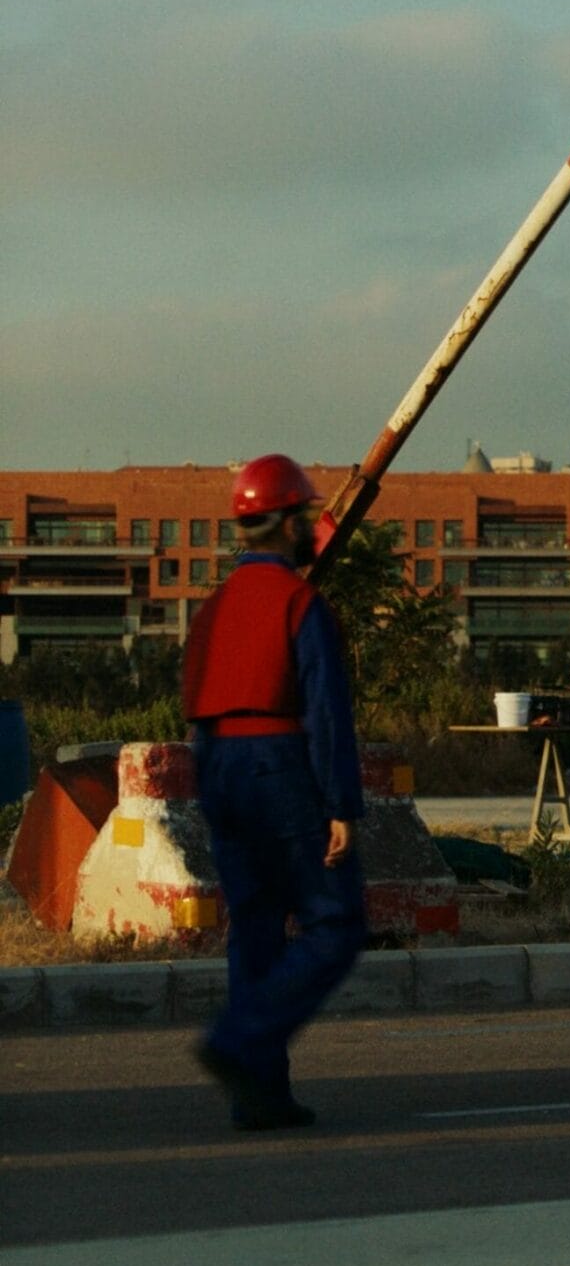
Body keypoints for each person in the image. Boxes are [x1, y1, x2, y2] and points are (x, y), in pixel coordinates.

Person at [183, 454, 367, 1132]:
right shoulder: (300, 604)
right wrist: (342, 805)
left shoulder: (213, 609)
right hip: (281, 760)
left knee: (255, 927)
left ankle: (258, 1096)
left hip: (219, 767)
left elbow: (198, 707)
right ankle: (241, 1041)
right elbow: (324, 712)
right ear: (290, 522)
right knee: (335, 923)